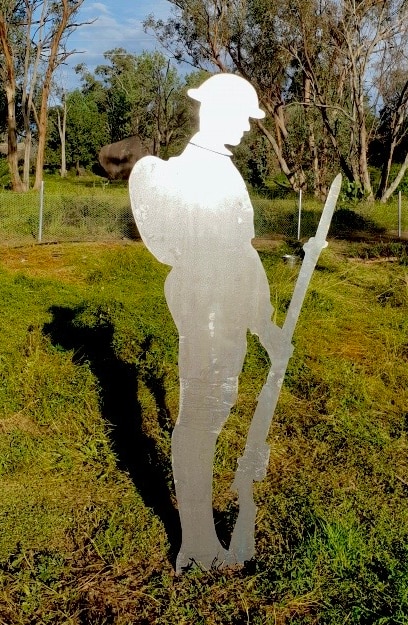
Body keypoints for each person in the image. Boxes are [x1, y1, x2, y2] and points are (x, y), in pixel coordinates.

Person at [129, 73, 289, 573]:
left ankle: (202, 536)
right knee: (201, 418)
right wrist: (257, 319)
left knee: (212, 412)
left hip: (225, 303)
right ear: (216, 110)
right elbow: (217, 256)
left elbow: (240, 257)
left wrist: (263, 322)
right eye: (242, 116)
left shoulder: (220, 167)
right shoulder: (198, 169)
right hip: (207, 305)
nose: (246, 128)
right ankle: (197, 544)